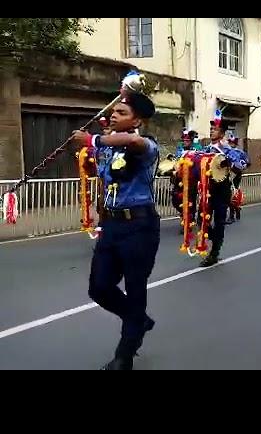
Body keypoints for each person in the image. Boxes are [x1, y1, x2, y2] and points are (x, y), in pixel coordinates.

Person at [71, 91, 159, 371]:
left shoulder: (147, 146)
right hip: (111, 225)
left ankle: (125, 355)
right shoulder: (105, 147)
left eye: (121, 113)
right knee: (98, 287)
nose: (113, 116)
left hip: (139, 226)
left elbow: (131, 141)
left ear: (138, 121)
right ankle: (138, 320)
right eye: (113, 112)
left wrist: (92, 139)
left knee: (135, 290)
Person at [200, 117, 248, 267]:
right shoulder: (206, 149)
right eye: (211, 129)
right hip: (207, 189)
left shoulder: (228, 149)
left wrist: (230, 162)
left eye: (214, 129)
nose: (211, 131)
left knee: (220, 221)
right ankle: (216, 240)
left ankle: (214, 253)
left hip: (222, 190)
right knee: (203, 220)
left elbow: (242, 165)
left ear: (221, 133)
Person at [225, 135, 249, 225]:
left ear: (235, 143)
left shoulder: (240, 153)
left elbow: (247, 162)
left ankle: (232, 214)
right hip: (226, 175)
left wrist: (241, 165)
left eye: (232, 142)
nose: (230, 144)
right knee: (227, 194)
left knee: (233, 194)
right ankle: (236, 209)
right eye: (229, 142)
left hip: (236, 175)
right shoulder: (225, 151)